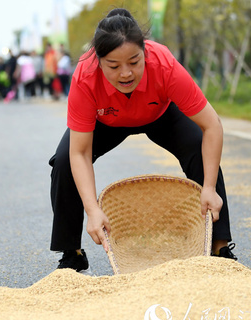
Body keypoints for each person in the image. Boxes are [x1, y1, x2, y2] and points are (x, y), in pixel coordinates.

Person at [49, 8, 237, 274]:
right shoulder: (85, 76)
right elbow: (79, 154)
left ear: (145, 52)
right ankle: (72, 253)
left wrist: (208, 187)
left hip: (159, 113)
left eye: (134, 62)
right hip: (107, 120)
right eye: (114, 66)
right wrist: (92, 209)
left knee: (200, 148)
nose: (126, 74)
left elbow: (212, 125)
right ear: (98, 61)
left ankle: (219, 247)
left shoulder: (163, 64)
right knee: (64, 161)